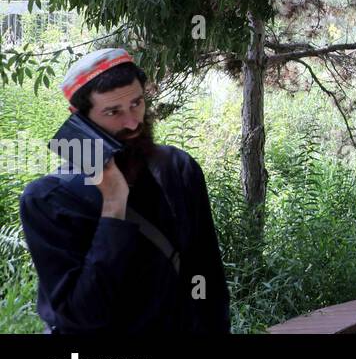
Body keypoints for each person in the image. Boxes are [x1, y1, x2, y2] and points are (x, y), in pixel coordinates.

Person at [18, 48, 230, 333]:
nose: (132, 122)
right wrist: (114, 205)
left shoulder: (177, 169)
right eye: (113, 112)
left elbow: (206, 277)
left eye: (137, 103)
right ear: (78, 116)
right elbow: (82, 315)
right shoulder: (48, 200)